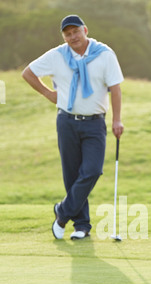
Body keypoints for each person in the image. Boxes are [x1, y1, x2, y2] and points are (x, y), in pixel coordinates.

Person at [22, 15, 124, 240]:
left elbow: (115, 89)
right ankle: (82, 225)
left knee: (92, 170)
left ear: (85, 30)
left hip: (95, 123)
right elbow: (28, 73)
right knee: (71, 174)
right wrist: (49, 93)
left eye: (76, 31)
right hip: (66, 121)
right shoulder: (57, 55)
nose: (73, 37)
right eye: (67, 34)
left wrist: (117, 120)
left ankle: (62, 213)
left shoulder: (104, 54)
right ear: (64, 37)